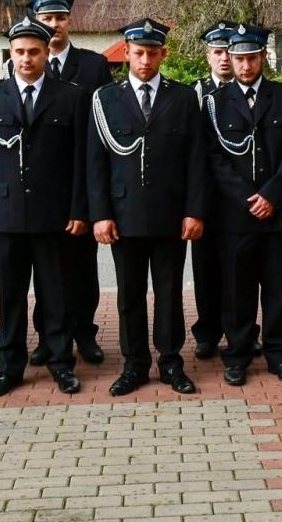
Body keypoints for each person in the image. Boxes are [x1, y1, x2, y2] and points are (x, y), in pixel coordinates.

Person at [0, 16, 90, 397]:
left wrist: (78, 209)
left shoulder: (71, 96)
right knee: (11, 297)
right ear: (11, 53)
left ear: (45, 52)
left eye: (33, 52)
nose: (26, 59)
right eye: (19, 52)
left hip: (53, 214)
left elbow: (80, 160)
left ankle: (60, 364)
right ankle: (10, 368)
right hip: (5, 215)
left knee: (55, 295)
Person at [87, 19, 208, 396]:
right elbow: (96, 163)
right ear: (126, 53)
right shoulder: (105, 99)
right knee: (130, 294)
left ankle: (171, 361)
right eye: (137, 53)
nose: (144, 60)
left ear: (163, 54)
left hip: (171, 215)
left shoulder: (184, 97)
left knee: (170, 292)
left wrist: (195, 210)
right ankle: (134, 363)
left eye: (152, 53)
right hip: (124, 217)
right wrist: (100, 214)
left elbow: (196, 161)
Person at [203, 23, 282, 385]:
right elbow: (214, 158)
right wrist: (248, 198)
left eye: (251, 57)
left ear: (264, 56)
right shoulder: (214, 102)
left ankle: (279, 354)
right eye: (239, 58)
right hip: (235, 214)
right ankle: (238, 355)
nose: (245, 65)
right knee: (237, 289)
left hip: (279, 211)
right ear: (228, 58)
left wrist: (271, 195)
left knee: (277, 288)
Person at [26, 0, 112, 366]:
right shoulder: (25, 62)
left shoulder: (92, 66)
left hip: (81, 180)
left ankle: (84, 333)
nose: (53, 24)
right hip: (41, 187)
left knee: (81, 267)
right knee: (44, 269)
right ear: (35, 22)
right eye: (46, 18)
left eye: (59, 17)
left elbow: (108, 123)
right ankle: (47, 335)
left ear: (69, 21)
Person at [188, 20, 237, 359]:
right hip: (206, 196)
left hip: (237, 196)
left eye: (228, 52)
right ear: (207, 56)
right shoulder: (193, 94)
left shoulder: (249, 91)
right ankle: (207, 331)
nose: (224, 59)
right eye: (217, 52)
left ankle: (241, 330)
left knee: (239, 269)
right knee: (205, 269)